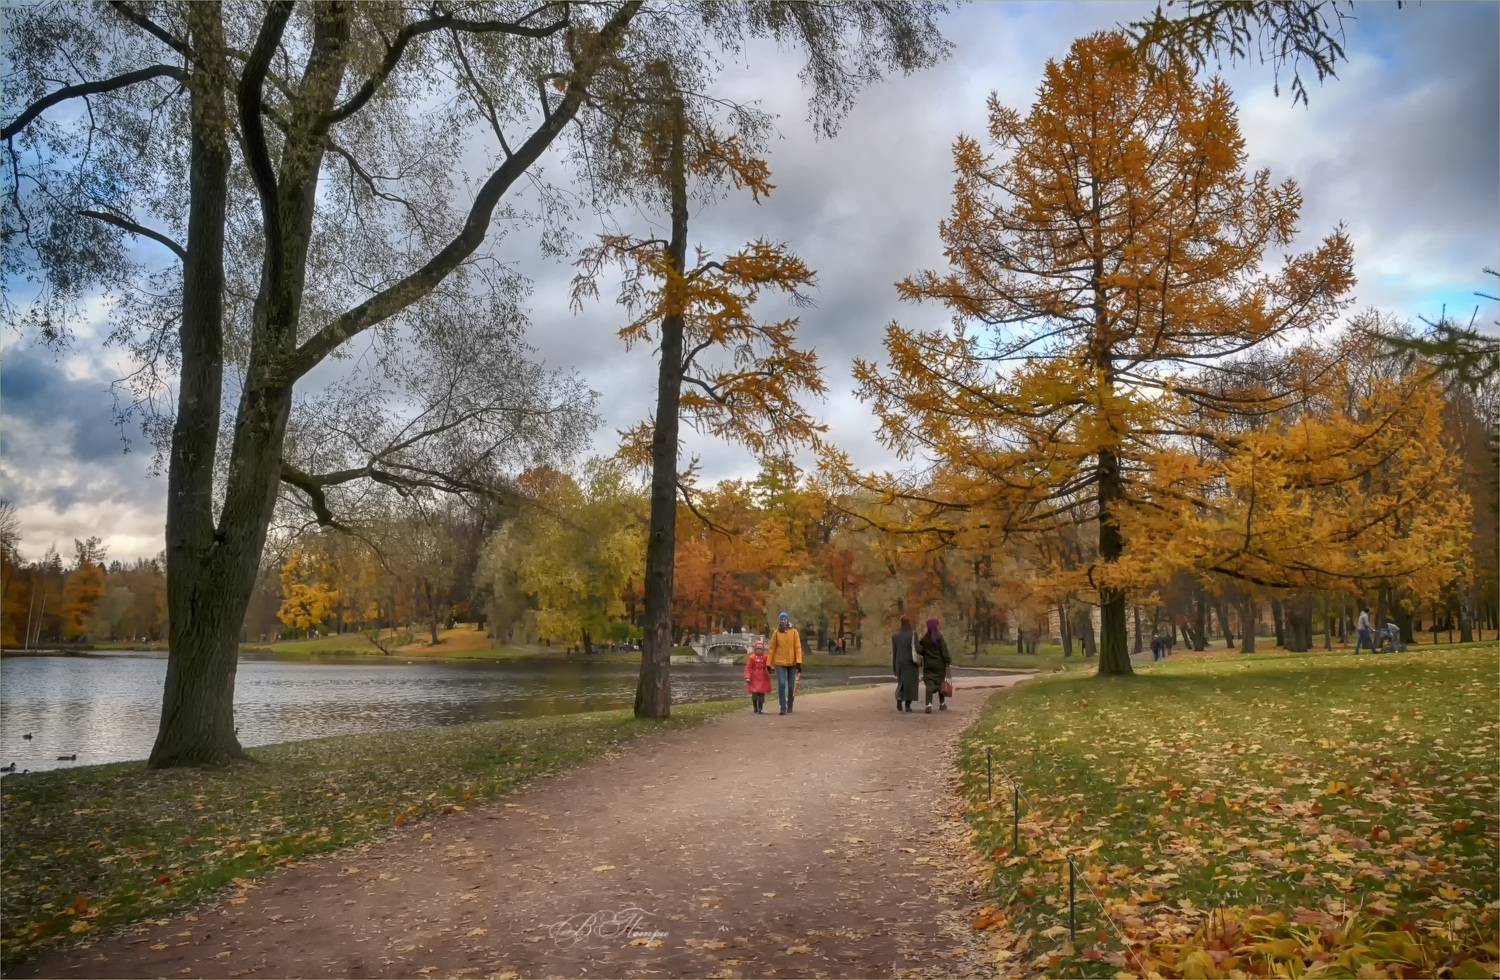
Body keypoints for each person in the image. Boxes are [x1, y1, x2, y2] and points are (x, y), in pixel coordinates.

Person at [767, 611, 804, 715]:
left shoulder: (794, 632)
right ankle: (783, 707)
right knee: (782, 684)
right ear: (779, 621)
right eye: (781, 619)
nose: (783, 621)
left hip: (792, 663)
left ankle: (790, 705)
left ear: (788, 620)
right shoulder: (776, 633)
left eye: (785, 619)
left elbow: (797, 647)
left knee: (791, 686)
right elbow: (772, 649)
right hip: (780, 663)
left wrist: (798, 662)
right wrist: (768, 663)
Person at [918, 617, 952, 713]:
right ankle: (942, 704)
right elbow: (944, 650)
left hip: (928, 665)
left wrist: (925, 653)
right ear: (936, 626)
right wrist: (947, 661)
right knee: (940, 683)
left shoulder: (925, 638)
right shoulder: (939, 637)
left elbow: (920, 650)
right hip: (939, 665)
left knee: (929, 684)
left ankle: (928, 705)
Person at [891, 617, 920, 712]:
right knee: (911, 684)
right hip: (910, 662)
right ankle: (908, 705)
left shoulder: (895, 636)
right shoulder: (913, 634)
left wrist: (894, 667)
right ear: (909, 622)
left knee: (901, 682)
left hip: (899, 662)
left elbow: (894, 652)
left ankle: (899, 697)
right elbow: (917, 648)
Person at [744, 643, 772, 714]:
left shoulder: (765, 657)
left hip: (763, 677)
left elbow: (768, 665)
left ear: (763, 650)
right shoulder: (752, 658)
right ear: (755, 649)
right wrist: (747, 677)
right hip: (754, 678)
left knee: (761, 694)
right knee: (754, 694)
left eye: (760, 649)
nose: (759, 650)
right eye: (758, 649)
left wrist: (771, 669)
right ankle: (755, 708)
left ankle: (760, 709)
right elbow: (748, 668)